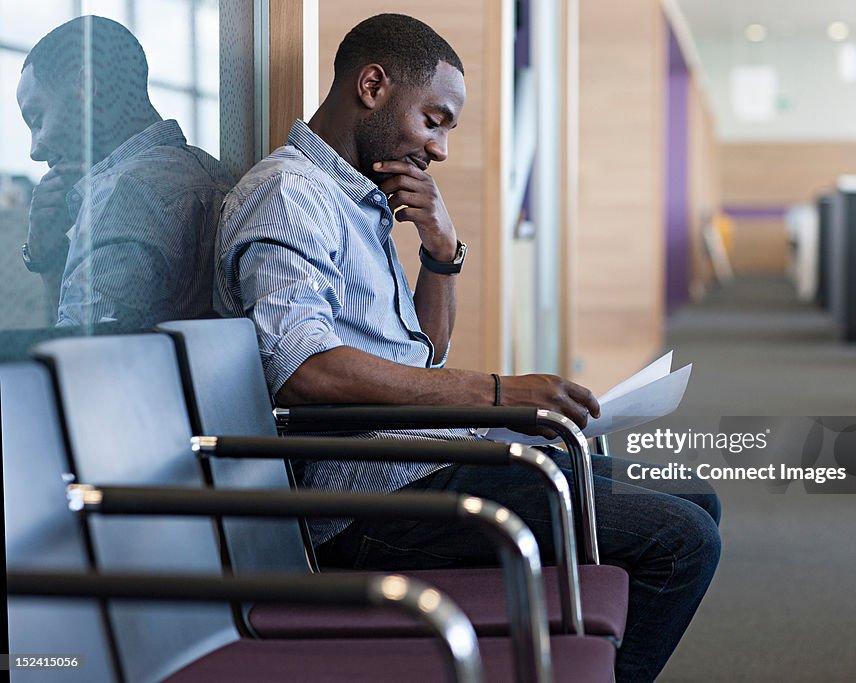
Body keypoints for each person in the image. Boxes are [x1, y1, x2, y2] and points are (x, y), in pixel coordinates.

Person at [216, 13, 720, 683]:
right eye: (435, 119)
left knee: (699, 502)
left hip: (425, 462)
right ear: (372, 85)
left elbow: (421, 353)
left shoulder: (354, 199)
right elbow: (305, 371)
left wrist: (442, 253)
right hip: (371, 506)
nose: (441, 147)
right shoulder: (288, 196)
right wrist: (500, 393)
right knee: (683, 540)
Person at [16, 15, 233, 328]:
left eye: (37, 119)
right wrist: (50, 260)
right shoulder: (205, 172)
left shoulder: (125, 193)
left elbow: (78, 363)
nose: (35, 150)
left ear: (86, 87)